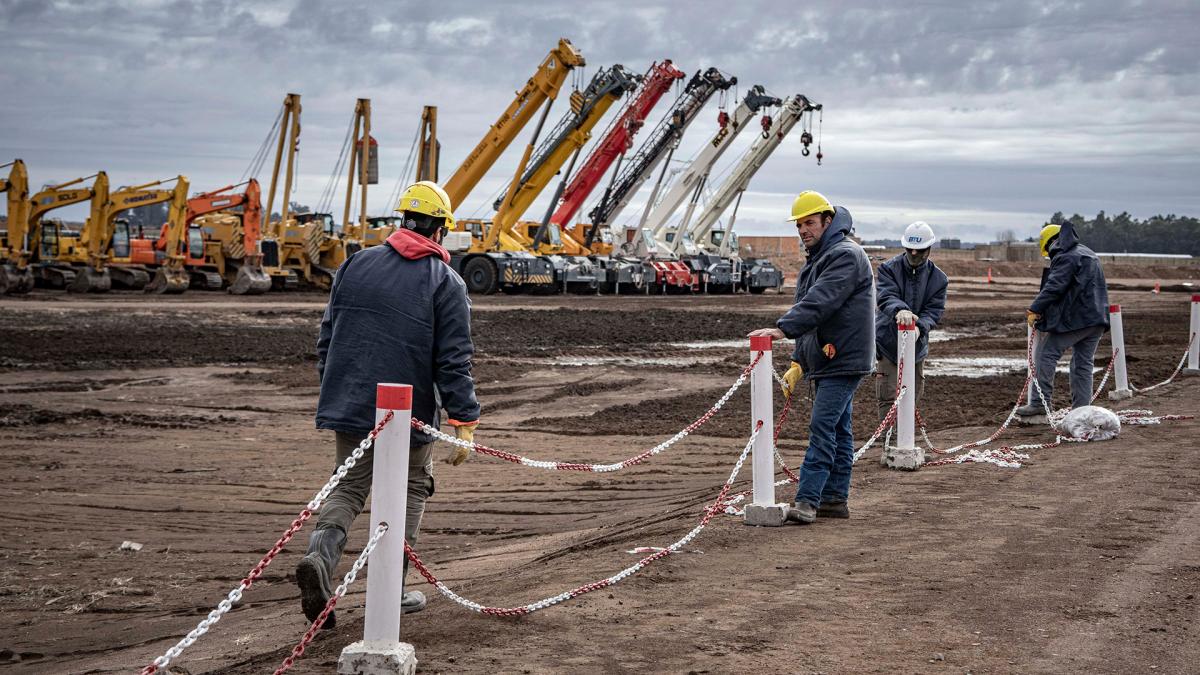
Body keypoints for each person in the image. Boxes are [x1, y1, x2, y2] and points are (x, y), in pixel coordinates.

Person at [295, 181, 480, 627]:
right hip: (407, 413)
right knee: (412, 486)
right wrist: (463, 420)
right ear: (440, 229)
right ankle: (391, 589)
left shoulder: (355, 265)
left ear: (403, 220)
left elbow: (327, 335)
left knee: (348, 486)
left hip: (351, 400)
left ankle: (320, 558)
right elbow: (453, 359)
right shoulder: (445, 281)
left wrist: (336, 387)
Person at [749, 191, 875, 524]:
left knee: (822, 427)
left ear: (828, 221)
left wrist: (782, 329)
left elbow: (819, 303)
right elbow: (816, 314)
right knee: (839, 429)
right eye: (799, 224)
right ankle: (835, 499)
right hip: (830, 357)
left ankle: (807, 501)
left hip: (843, 357)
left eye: (809, 223)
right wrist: (798, 361)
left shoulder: (844, 256)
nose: (803, 230)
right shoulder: (821, 256)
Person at [1017, 221, 1109, 415]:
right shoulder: (1088, 253)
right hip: (1097, 319)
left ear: (1050, 243)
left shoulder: (1066, 256)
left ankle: (1039, 404)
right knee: (1083, 364)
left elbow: (1055, 286)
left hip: (1077, 320)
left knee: (1045, 354)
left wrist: (1035, 309)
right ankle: (1082, 412)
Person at [874, 222, 948, 421]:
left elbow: (933, 311)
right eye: (910, 249)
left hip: (916, 348)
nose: (914, 254)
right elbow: (886, 296)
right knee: (888, 397)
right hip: (888, 344)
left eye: (920, 250)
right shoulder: (888, 269)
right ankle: (888, 445)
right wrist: (900, 310)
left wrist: (919, 328)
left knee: (912, 395)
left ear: (929, 249)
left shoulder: (939, 279)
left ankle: (905, 441)